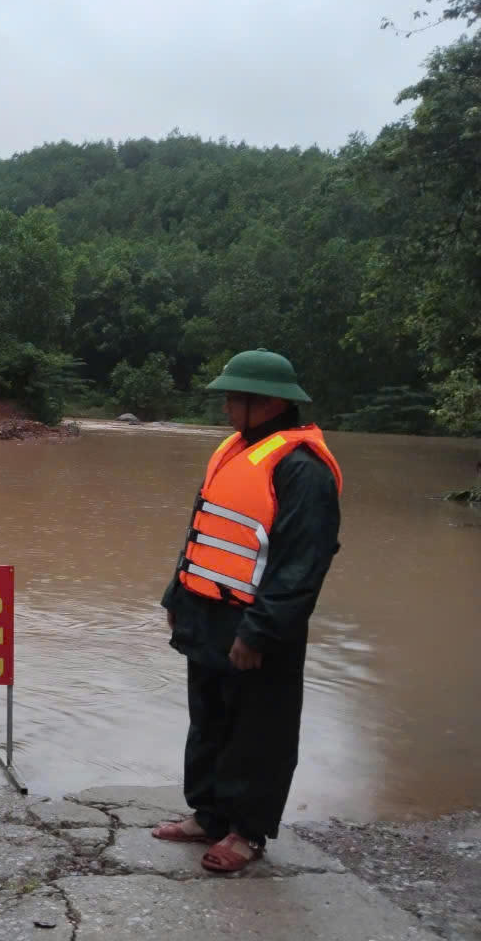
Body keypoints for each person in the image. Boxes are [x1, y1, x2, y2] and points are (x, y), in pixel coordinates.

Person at [153, 349, 342, 872]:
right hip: (207, 614)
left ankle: (246, 831)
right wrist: (177, 595)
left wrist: (259, 633)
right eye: (229, 397)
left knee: (258, 730)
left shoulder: (303, 471)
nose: (227, 407)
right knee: (209, 719)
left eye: (238, 398)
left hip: (257, 624)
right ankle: (209, 815)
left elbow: (301, 566)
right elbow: (204, 529)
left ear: (272, 404)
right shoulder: (234, 451)